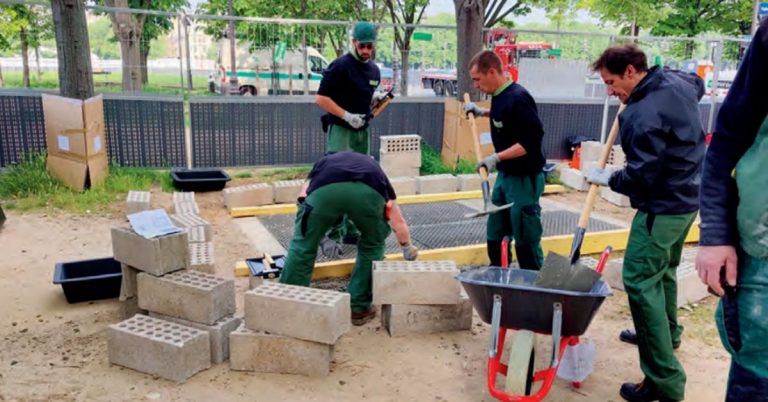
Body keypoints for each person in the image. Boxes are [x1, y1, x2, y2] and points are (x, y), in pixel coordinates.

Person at [586, 45, 705, 402]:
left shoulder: (639, 115)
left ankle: (664, 381)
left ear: (632, 72)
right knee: (664, 271)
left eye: (611, 82)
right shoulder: (676, 81)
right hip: (688, 200)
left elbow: (641, 177)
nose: (610, 91)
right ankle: (668, 333)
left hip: (662, 206)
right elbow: (698, 83)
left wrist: (608, 178)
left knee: (639, 279)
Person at [696, 18, 768, 402]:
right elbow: (727, 139)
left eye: (612, 83)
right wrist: (716, 233)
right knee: (757, 378)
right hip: (763, 250)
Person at [279, 151, 418, 326]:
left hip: (325, 192)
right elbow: (397, 219)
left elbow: (303, 198)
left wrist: (315, 233)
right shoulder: (376, 171)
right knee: (373, 243)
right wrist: (406, 247)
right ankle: (358, 308)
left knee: (302, 245)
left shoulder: (322, 164)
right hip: (367, 193)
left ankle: (287, 304)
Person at [463, 50, 546, 270]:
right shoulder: (499, 95)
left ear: (491, 72)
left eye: (477, 80)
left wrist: (495, 157)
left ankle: (536, 285)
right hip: (506, 175)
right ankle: (499, 277)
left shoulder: (519, 98)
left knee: (525, 235)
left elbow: (529, 143)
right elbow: (505, 115)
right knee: (496, 231)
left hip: (524, 179)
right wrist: (482, 112)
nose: (476, 85)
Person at [316, 21, 384, 246]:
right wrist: (346, 115)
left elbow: (365, 94)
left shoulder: (374, 70)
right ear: (354, 42)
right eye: (361, 45)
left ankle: (352, 231)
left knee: (359, 179)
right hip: (342, 130)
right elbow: (321, 98)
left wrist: (373, 99)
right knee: (337, 179)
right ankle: (333, 234)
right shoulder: (340, 66)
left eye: (369, 46)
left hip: (361, 132)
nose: (365, 51)